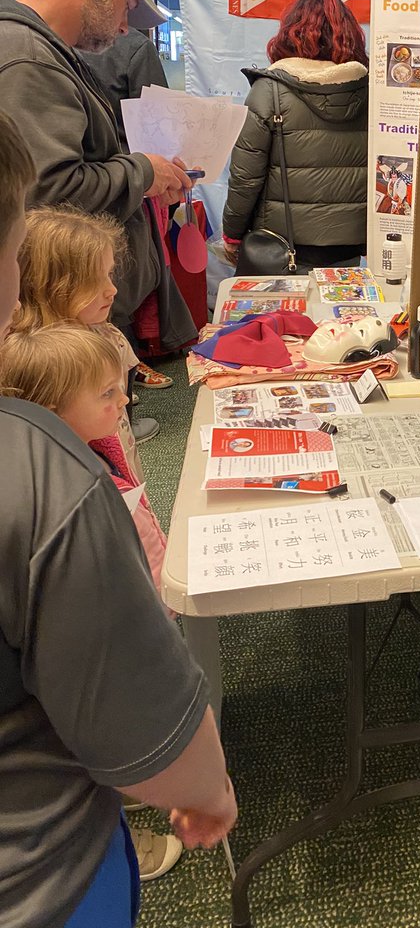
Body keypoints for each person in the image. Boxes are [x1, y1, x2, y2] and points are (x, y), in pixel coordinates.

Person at [0, 110, 237, 926]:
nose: (115, 292)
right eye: (100, 281)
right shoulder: (45, 465)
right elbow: (110, 671)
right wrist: (198, 782)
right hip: (47, 872)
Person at [0, 0, 197, 371]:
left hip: (69, 309)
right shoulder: (31, 59)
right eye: (128, 6)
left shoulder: (44, 51)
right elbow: (46, 193)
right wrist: (143, 172)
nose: (127, 27)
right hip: (59, 318)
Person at [0, 325, 168, 596]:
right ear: (52, 412)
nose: (124, 398)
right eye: (107, 393)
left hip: (151, 578)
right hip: (131, 604)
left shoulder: (100, 446)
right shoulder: (66, 494)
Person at [222, 0, 369, 272]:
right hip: (349, 245)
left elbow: (245, 177)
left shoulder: (269, 92)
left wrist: (232, 233)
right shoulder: (370, 93)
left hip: (280, 245)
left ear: (291, 33)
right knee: (338, 316)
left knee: (283, 317)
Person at [11, 206, 156, 461]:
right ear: (51, 285)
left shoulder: (111, 337)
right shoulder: (36, 363)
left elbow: (122, 421)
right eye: (92, 280)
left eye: (109, 274)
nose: (112, 290)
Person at [77, 25, 179, 388]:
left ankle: (121, 371)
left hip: (105, 192)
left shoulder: (47, 49)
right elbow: (158, 128)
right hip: (116, 194)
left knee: (102, 295)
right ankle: (119, 375)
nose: (121, 21)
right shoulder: (43, 53)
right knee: (112, 290)